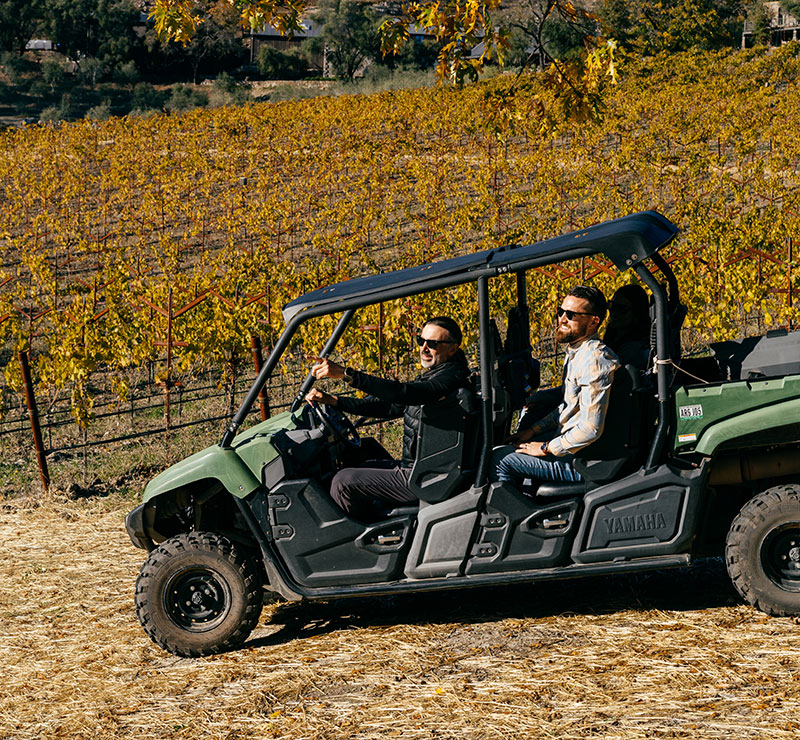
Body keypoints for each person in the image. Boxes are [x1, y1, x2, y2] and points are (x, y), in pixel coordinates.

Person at [305, 316, 470, 521]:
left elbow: (404, 393)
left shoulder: (449, 378)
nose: (424, 348)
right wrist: (335, 401)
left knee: (343, 482)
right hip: (424, 468)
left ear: (453, 349)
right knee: (362, 449)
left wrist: (348, 375)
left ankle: (352, 546)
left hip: (428, 478)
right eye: (421, 341)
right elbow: (391, 407)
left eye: (433, 344)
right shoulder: (439, 373)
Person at [493, 285, 619, 488]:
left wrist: (545, 448)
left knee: (500, 460)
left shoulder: (595, 360)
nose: (562, 319)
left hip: (581, 462)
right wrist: (532, 431)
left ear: (593, 321)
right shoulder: (578, 353)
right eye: (561, 312)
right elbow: (570, 407)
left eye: (571, 315)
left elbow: (590, 428)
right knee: (508, 446)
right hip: (571, 449)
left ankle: (506, 517)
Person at [603, 284, 651, 370]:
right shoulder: (614, 338)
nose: (614, 312)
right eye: (612, 305)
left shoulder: (633, 349)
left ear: (637, 313)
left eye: (621, 308)